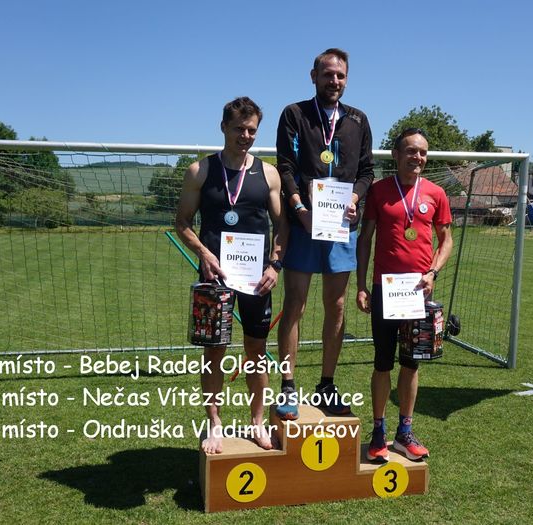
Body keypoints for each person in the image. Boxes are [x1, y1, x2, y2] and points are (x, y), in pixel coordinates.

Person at [175, 97, 287, 454]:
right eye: (239, 128)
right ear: (223, 127)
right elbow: (182, 222)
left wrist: (274, 265)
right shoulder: (200, 171)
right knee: (214, 352)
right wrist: (204, 253)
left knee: (257, 350)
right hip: (215, 277)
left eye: (252, 130)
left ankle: (257, 421)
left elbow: (282, 226)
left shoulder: (268, 174)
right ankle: (214, 423)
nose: (246, 136)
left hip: (256, 279)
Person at [275, 48, 374, 420]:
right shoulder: (294, 114)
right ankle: (288, 385)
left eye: (340, 75)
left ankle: (326, 385)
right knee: (295, 303)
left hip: (341, 226)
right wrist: (299, 208)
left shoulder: (359, 120)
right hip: (303, 222)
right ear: (313, 75)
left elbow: (366, 171)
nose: (335, 81)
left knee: (337, 306)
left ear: (347, 79)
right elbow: (285, 166)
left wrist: (354, 198)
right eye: (328, 74)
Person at [356, 128, 453, 462]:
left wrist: (432, 272)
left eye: (423, 152)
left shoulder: (436, 193)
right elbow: (365, 240)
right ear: (396, 155)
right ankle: (378, 431)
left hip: (417, 292)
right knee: (382, 362)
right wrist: (361, 285)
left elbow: (447, 240)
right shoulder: (379, 191)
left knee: (411, 364)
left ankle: (404, 432)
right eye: (411, 151)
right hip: (385, 290)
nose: (418, 157)